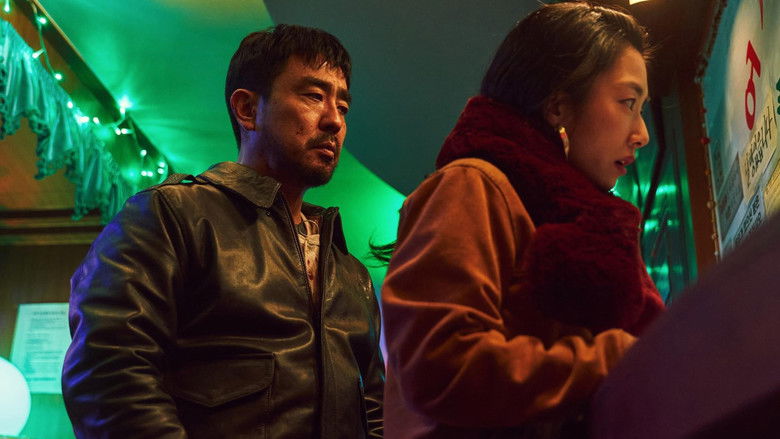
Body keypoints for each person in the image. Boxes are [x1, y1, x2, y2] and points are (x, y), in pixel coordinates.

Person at [61, 24, 384, 438]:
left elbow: (375, 410)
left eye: (343, 105)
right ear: (247, 109)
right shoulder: (172, 215)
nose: (334, 120)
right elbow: (108, 373)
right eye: (313, 96)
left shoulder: (350, 272)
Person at [380, 3, 665, 438]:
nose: (642, 133)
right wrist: (615, 358)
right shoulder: (472, 186)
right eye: (628, 102)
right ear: (558, 107)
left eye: (642, 108)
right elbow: (440, 367)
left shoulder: (572, 213)